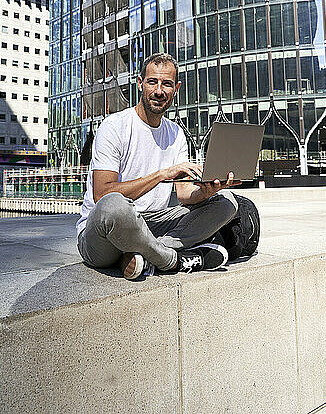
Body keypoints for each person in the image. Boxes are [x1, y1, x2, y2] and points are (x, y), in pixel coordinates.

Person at [77, 53, 240, 280]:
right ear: (140, 83)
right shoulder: (114, 126)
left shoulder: (175, 133)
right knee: (114, 205)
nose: (159, 91)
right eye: (152, 82)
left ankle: (142, 255)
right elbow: (102, 194)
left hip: (152, 223)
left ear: (177, 88)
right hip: (102, 235)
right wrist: (161, 175)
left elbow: (184, 195)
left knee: (227, 203)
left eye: (167, 84)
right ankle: (171, 260)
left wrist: (205, 190)